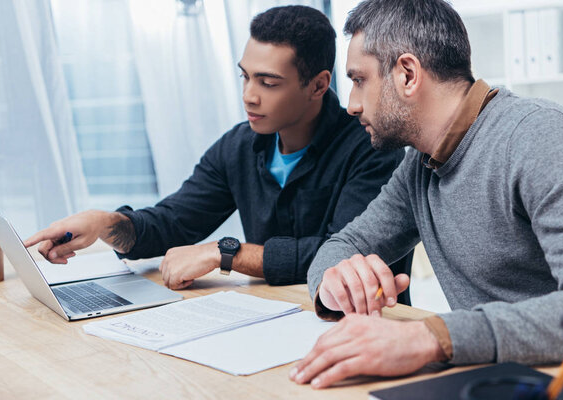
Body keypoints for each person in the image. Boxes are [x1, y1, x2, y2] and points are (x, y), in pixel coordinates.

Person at [289, 0, 563, 390]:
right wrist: (336, 279)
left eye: (359, 79)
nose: (351, 104)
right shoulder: (420, 165)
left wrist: (431, 336)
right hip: (496, 380)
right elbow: (344, 244)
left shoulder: (540, 137)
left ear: (408, 74)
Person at [24, 5, 407, 289]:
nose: (248, 96)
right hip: (271, 317)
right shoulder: (238, 147)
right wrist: (105, 224)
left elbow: (341, 254)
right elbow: (173, 222)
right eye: (245, 77)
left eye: (268, 83)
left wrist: (227, 253)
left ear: (319, 86)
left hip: (356, 324)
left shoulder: (372, 146)